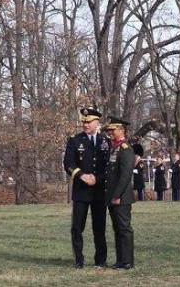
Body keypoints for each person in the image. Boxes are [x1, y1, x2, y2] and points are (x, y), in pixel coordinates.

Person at [62, 106, 110, 269]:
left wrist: (97, 178)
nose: (86, 125)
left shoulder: (105, 141)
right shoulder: (75, 140)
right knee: (77, 227)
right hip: (81, 191)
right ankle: (78, 259)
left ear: (97, 122)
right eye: (84, 122)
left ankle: (101, 260)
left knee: (99, 227)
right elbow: (68, 163)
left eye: (89, 122)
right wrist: (82, 175)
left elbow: (109, 167)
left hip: (98, 191)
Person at [104, 116, 135, 269]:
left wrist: (117, 195)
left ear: (121, 130)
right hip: (113, 196)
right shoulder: (114, 148)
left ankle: (128, 261)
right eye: (109, 130)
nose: (110, 132)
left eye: (113, 130)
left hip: (121, 197)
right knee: (117, 229)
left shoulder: (126, 149)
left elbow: (125, 175)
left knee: (124, 229)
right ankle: (120, 260)